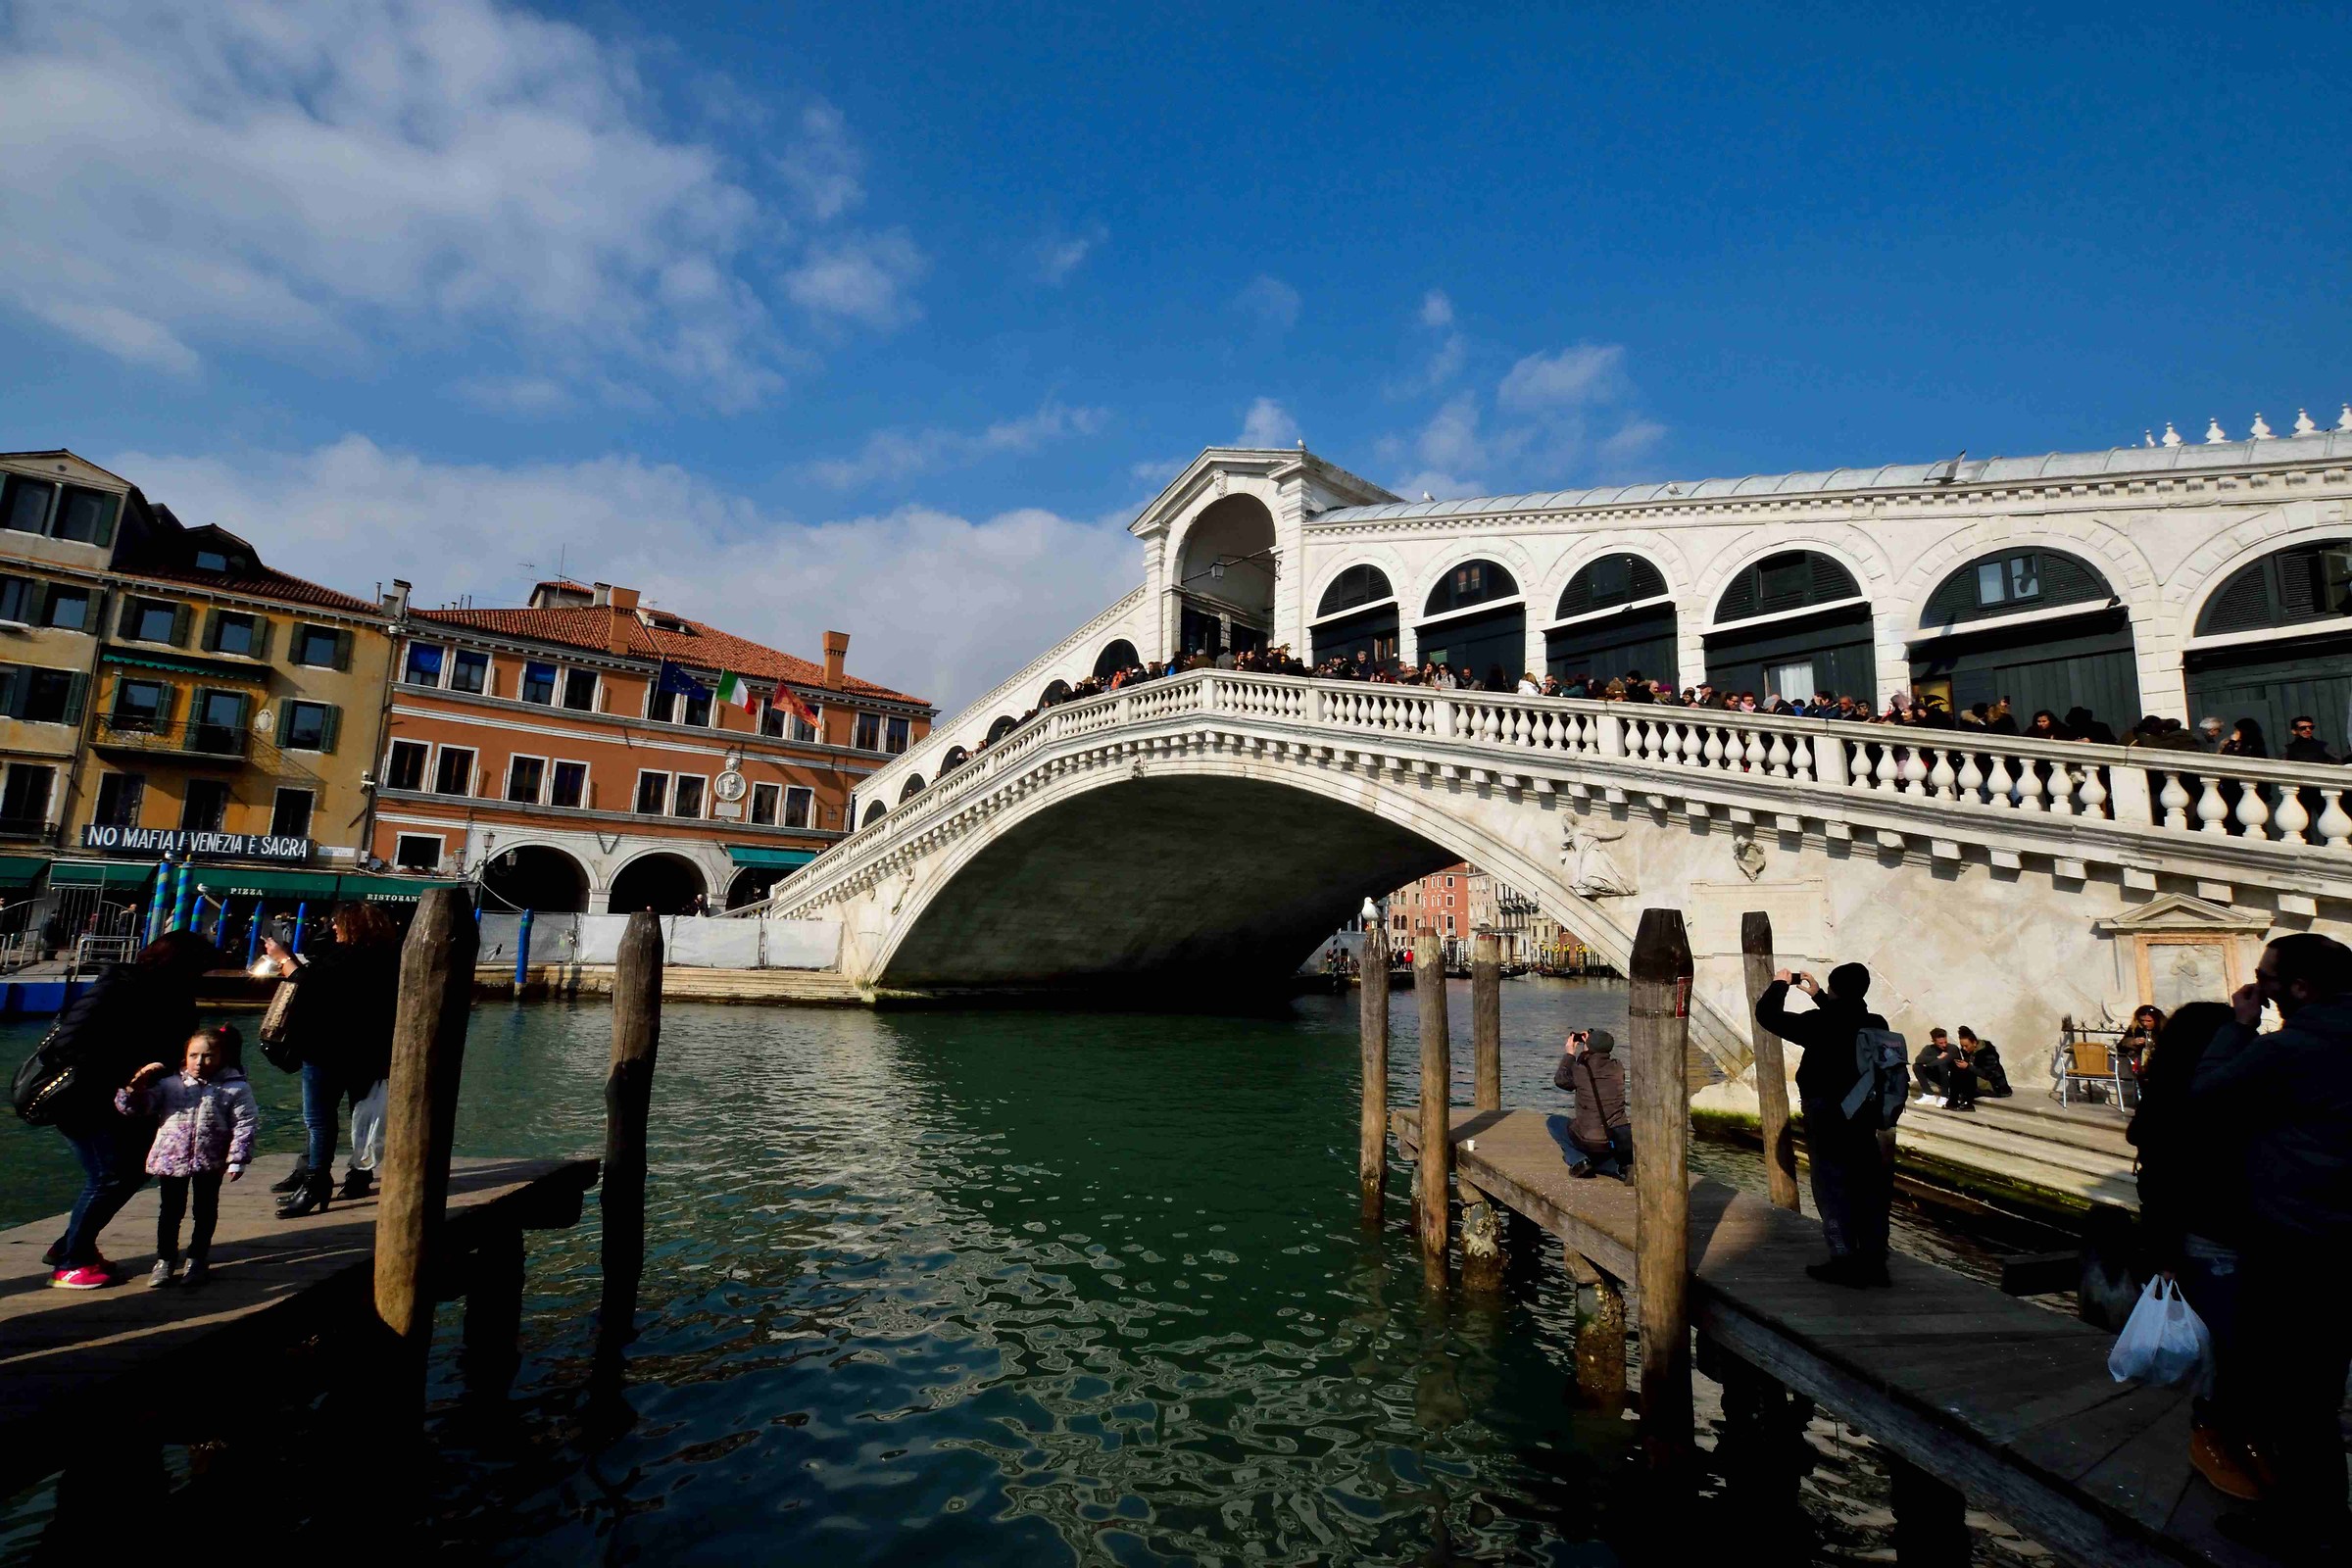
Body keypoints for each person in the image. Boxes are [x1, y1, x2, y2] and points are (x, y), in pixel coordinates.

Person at [2190, 933, 2352, 1551]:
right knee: (2320, 1388)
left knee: (2295, 1397)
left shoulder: (2293, 1047)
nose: (2258, 985)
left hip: (2297, 1239)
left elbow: (2207, 1096)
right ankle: (2318, 1514)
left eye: (2266, 977)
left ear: (2299, 989)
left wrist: (2238, 1025)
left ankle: (2310, 1524)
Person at [2126, 1001, 2262, 1500]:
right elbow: (2163, 1184)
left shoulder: (2180, 1090)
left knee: (2238, 1344)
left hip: (2226, 1233)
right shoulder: (2190, 1097)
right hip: (2207, 1238)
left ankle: (2229, 1435)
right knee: (2228, 1345)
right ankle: (2211, 1437)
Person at [41, 931, 223, 1290]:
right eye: (198, 970)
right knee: (110, 1176)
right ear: (181, 966)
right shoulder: (120, 986)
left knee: (131, 1172)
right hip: (88, 1099)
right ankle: (71, 1261)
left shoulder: (176, 995)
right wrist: (125, 1075)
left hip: (130, 1102)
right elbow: (68, 1041)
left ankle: (70, 1244)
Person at [1755, 962, 1894, 1288]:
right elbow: (1847, 1020)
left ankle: (1844, 1260)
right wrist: (1819, 995)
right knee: (1867, 1186)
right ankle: (1874, 1263)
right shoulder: (1876, 1023)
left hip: (1828, 1112)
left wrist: (1780, 985)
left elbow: (1767, 1016)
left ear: (1835, 989)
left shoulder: (1819, 1023)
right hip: (1863, 1113)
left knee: (1832, 1185)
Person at [262, 902, 402, 1217]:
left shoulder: (342, 958)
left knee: (319, 1120)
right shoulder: (392, 958)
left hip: (326, 1050)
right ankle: (358, 1175)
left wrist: (283, 959)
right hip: (369, 1051)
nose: (334, 928)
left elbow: (311, 988)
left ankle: (315, 1183)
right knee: (362, 1114)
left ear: (351, 926)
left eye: (338, 924)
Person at [116, 1024, 258, 1289]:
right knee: (170, 1211)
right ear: (185, 1056)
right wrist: (135, 1089)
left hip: (210, 1159)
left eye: (207, 1056)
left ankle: (197, 1258)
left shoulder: (235, 1088)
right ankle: (165, 1260)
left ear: (221, 1058)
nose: (200, 1062)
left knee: (204, 1210)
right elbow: (136, 1109)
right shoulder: (170, 1085)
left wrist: (237, 1157)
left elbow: (245, 1123)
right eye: (194, 1055)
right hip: (172, 1158)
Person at [1549, 1029, 1634, 1181]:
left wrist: (1570, 1054)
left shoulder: (1580, 1069)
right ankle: (1619, 1168)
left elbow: (1561, 1080)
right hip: (1614, 1137)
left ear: (1588, 1047)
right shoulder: (1618, 1068)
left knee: (1554, 1122)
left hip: (1588, 1139)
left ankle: (1578, 1160)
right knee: (1603, 1156)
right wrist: (1592, 1043)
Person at [1912, 1028, 1975, 1109]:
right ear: (1934, 1041)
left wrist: (1928, 1064)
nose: (1944, 1045)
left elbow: (1945, 1060)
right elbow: (1918, 1059)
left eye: (1945, 1042)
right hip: (1939, 1076)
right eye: (1940, 1043)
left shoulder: (1952, 1048)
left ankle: (1944, 1096)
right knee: (1916, 1066)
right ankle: (1929, 1094)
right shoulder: (1929, 1048)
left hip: (1953, 1079)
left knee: (1942, 1065)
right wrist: (1937, 1057)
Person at [1957, 1027, 2011, 1097]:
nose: (1964, 1048)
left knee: (1966, 1080)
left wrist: (1968, 1066)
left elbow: (1988, 1074)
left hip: (1995, 1085)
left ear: (1974, 1043)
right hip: (1980, 1081)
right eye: (1962, 1046)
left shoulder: (1988, 1053)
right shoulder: (1967, 1052)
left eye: (1966, 1046)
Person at [2117, 1004, 2164, 1080]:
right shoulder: (2136, 1029)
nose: (2145, 1023)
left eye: (2149, 1021)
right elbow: (2120, 1047)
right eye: (2142, 1020)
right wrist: (2132, 1042)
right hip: (2141, 1067)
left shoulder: (2164, 1029)